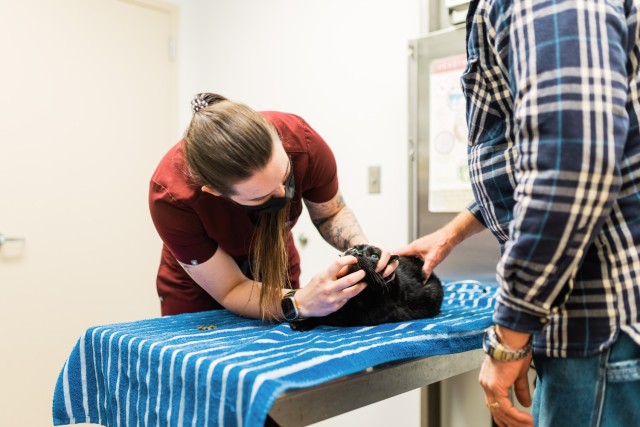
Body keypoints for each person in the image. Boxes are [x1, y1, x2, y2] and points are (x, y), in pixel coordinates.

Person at [398, 1, 640, 426]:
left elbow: (571, 163)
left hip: (602, 324)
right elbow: (535, 158)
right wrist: (453, 231)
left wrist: (508, 337)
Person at [149, 92, 397, 322]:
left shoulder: (303, 143)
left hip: (273, 256)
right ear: (214, 191)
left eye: (285, 175)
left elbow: (331, 212)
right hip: (203, 283)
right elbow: (230, 288)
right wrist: (299, 301)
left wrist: (362, 252)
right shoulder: (172, 197)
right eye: (262, 196)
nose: (283, 194)